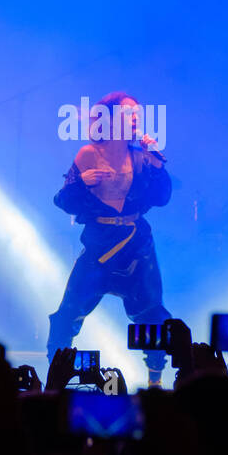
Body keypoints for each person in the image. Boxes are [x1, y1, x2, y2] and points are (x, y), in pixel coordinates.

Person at [48, 92, 173, 385]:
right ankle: (54, 381)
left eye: (138, 116)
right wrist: (83, 183)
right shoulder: (88, 154)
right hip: (100, 245)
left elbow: (163, 197)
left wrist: (156, 162)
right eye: (129, 114)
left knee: (152, 313)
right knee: (68, 314)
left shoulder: (142, 156)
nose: (135, 120)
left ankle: (155, 383)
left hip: (136, 246)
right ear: (110, 118)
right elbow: (63, 200)